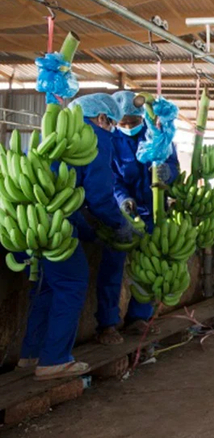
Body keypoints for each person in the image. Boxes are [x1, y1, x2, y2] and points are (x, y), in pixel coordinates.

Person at [18, 93, 134, 380]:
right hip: (57, 223)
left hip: (32, 221)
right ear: (102, 118)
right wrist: (118, 223)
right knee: (72, 283)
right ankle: (54, 360)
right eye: (113, 123)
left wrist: (89, 233)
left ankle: (31, 355)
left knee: (46, 288)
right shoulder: (93, 138)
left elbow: (65, 194)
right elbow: (98, 195)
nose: (113, 130)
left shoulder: (57, 133)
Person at [93, 90, 179, 344]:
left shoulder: (158, 136)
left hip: (153, 211)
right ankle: (107, 324)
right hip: (123, 212)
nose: (128, 126)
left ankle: (139, 317)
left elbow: (173, 166)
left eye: (133, 121)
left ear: (142, 117)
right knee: (113, 267)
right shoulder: (109, 141)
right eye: (123, 122)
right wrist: (122, 199)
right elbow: (111, 177)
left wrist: (167, 173)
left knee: (148, 267)